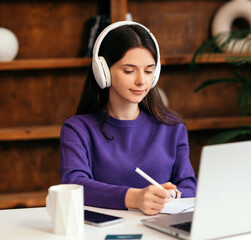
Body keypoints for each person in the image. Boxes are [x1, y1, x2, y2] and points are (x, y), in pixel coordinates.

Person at [60, 21, 197, 215]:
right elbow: (73, 185)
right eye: (129, 70)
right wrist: (135, 198)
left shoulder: (172, 127)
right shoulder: (77, 129)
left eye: (149, 71)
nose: (142, 80)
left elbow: (189, 186)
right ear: (103, 72)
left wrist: (172, 195)